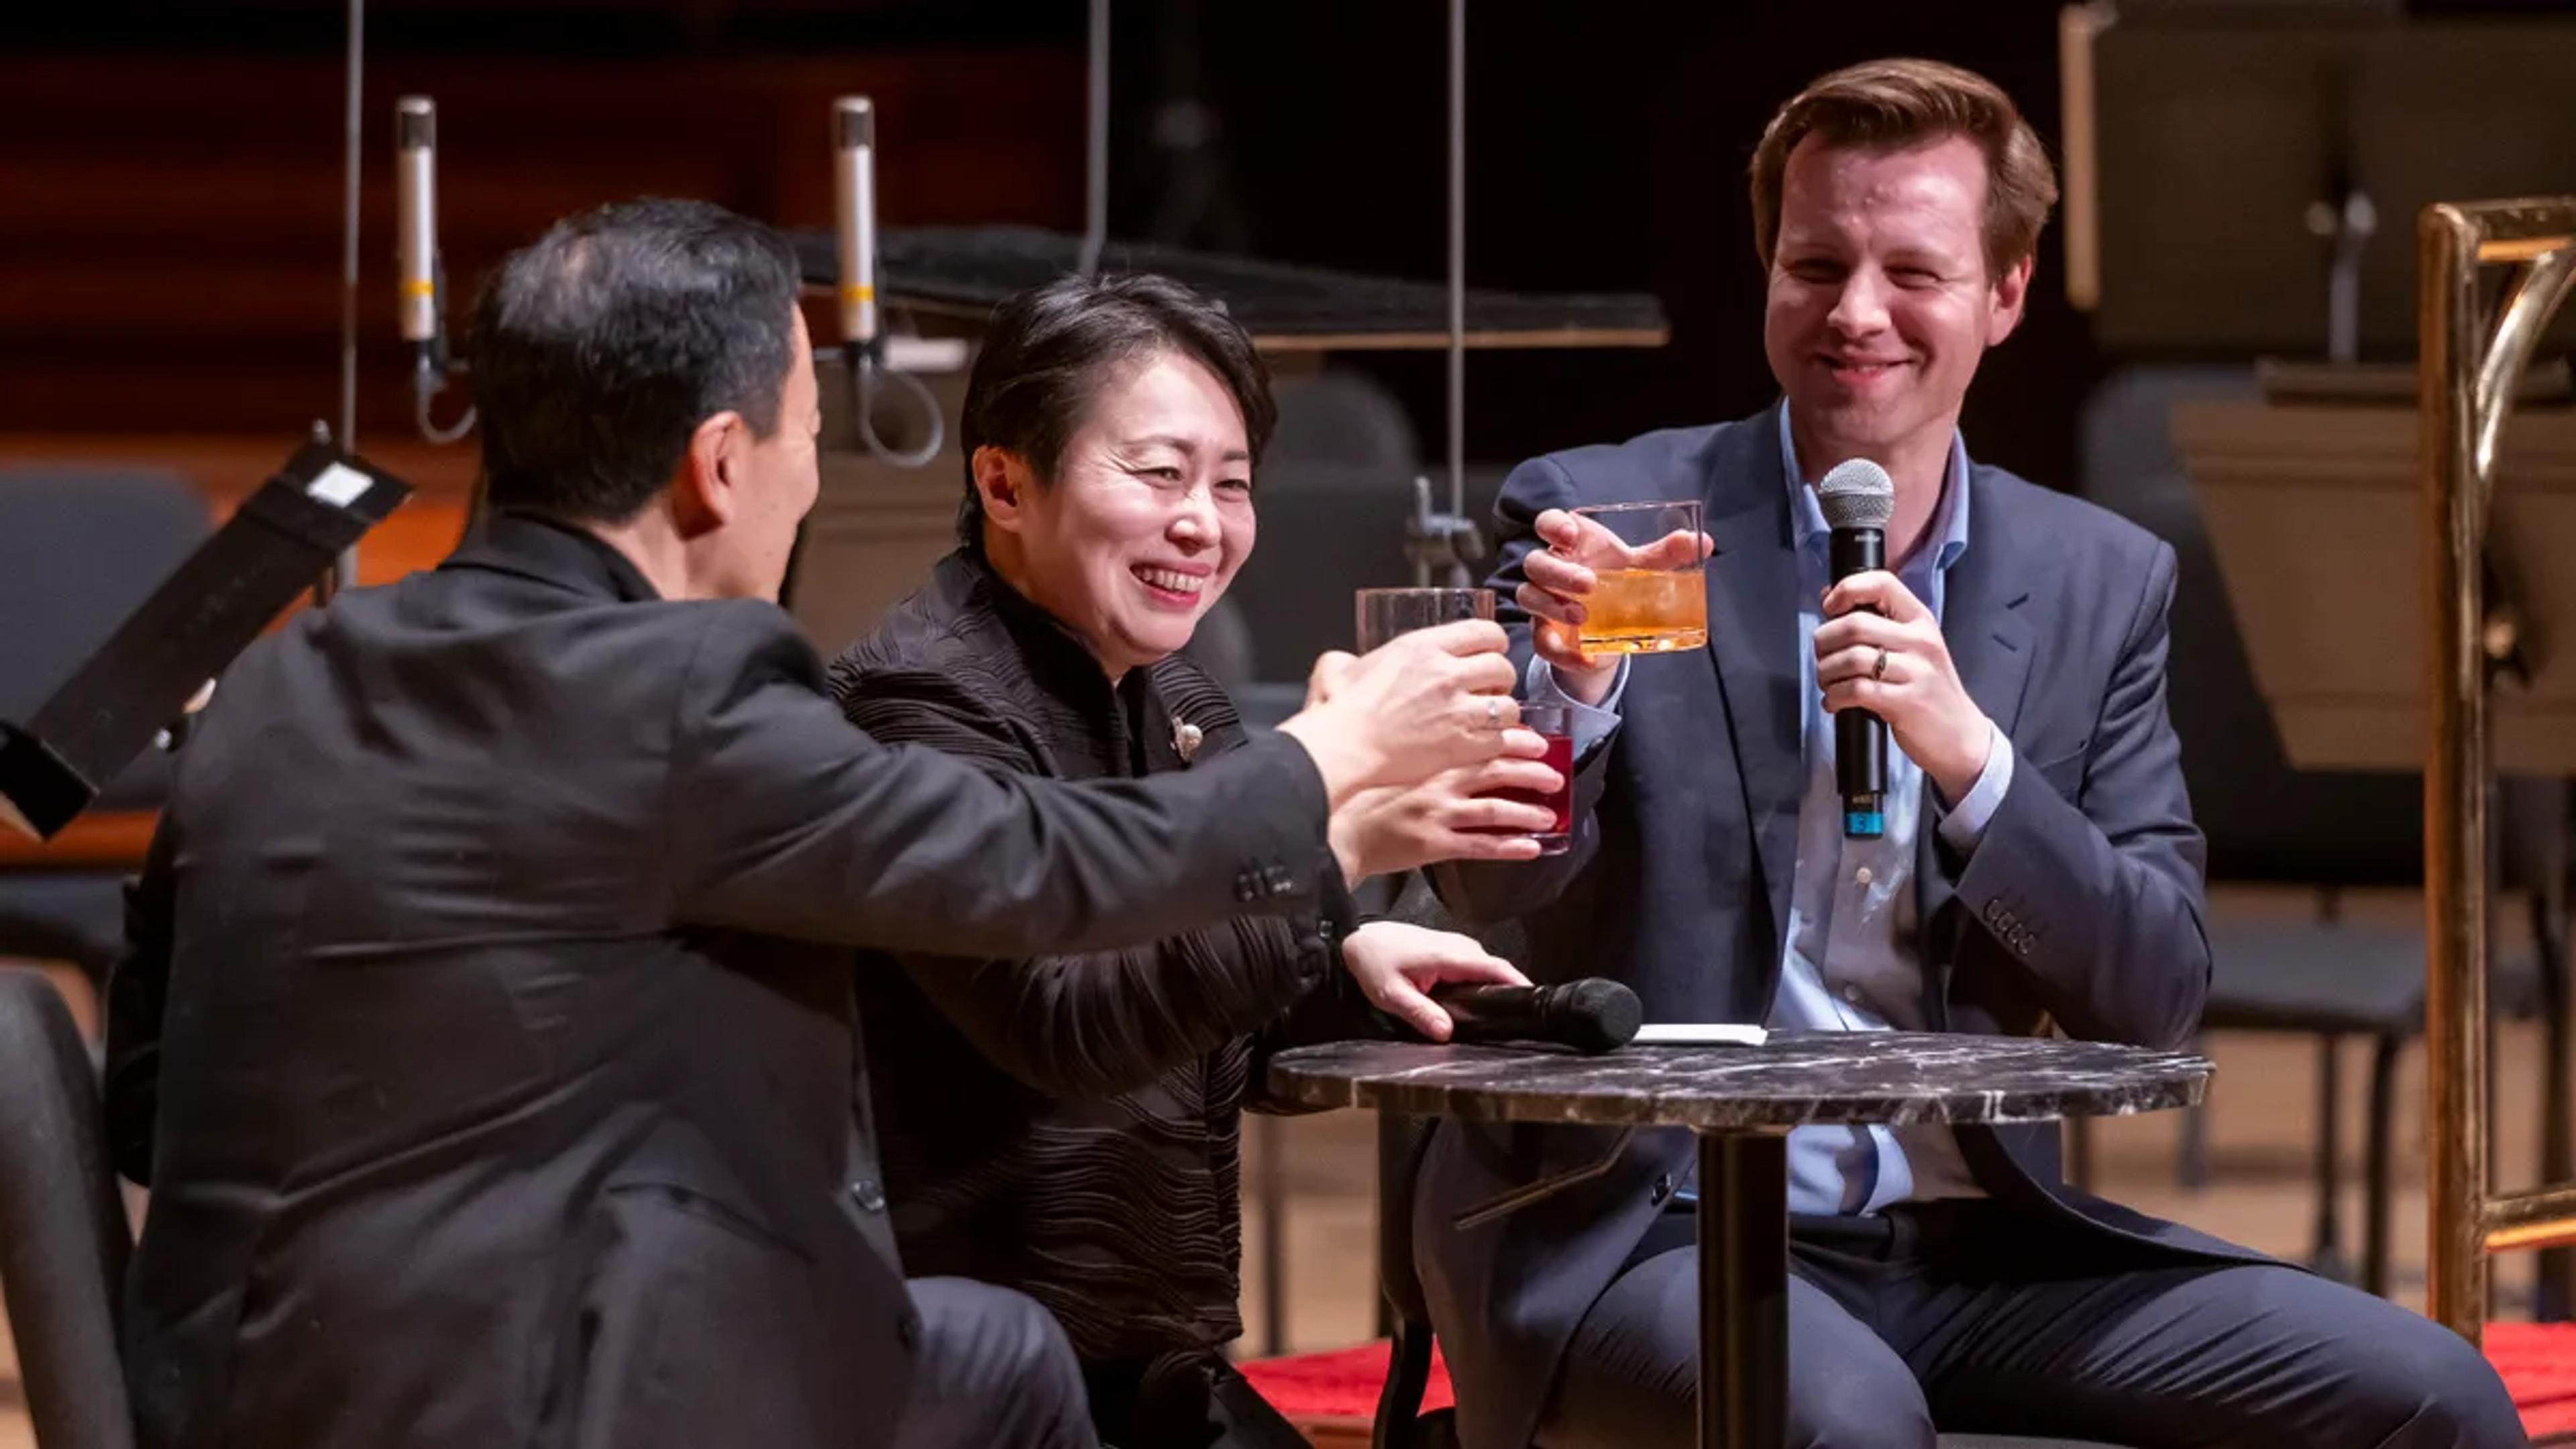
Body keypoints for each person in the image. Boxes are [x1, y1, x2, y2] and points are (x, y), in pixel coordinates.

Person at [102, 199, 1531, 1449]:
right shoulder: (688, 685)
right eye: (807, 436)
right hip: (536, 1393)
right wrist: (1328, 765)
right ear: (721, 464)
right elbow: (1040, 876)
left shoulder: (289, 672)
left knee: (982, 1342)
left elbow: (147, 1103)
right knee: (1019, 1362)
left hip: (232, 1392)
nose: (808, 477)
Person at [1418, 60, 2527, 1449]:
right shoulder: (1611, 519)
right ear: (1767, 271)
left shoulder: (2094, 577)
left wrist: (1977, 766)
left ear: (2005, 295)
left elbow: (2156, 988)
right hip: (1656, 1222)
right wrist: (1573, 691)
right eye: (1815, 263)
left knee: (2436, 1400)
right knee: (1847, 1423)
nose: (1856, 313)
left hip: (1975, 1239)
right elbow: (1486, 902)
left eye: (1913, 271)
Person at [829, 271, 1560, 1449]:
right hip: (973, 1378)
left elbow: (1195, 1012)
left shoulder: (1173, 698)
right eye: (1160, 474)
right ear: (1003, 481)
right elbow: (1075, 1031)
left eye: (1232, 484)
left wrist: (1348, 959)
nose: (1203, 524)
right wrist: (1337, 839)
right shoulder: (916, 710)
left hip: (1152, 1364)